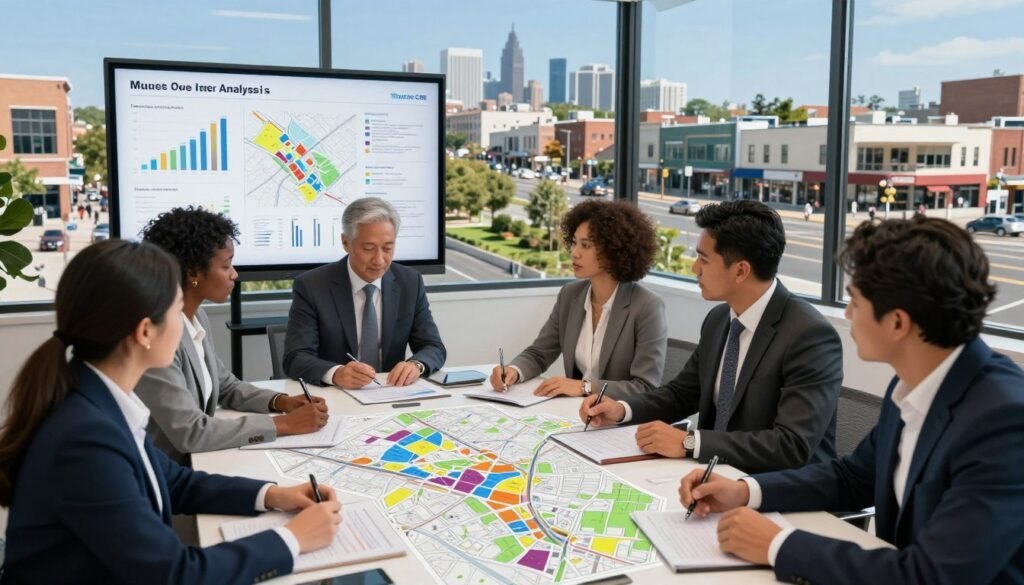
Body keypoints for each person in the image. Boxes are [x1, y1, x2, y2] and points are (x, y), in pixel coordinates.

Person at [679, 217, 1024, 585]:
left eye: (855, 302)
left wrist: (779, 545)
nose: (846, 315)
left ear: (897, 323)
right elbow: (852, 477)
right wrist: (745, 491)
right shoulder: (913, 384)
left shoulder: (1004, 420)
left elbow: (933, 576)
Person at [0, 240, 341, 584]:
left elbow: (173, 479)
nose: (185, 325)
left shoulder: (99, 398)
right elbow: (174, 574)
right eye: (177, 310)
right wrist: (292, 539)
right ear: (145, 331)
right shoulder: (85, 439)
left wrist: (273, 495)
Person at [581, 201, 842, 474]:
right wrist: (621, 410)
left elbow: (791, 445)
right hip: (714, 479)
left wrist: (690, 442)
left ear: (741, 271)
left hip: (778, 492)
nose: (695, 268)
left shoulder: (809, 336)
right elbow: (682, 394)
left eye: (703, 259)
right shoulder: (719, 320)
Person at [137, 207, 329, 464]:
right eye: (226, 265)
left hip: (198, 461)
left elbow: (227, 386)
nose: (234, 274)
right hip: (168, 477)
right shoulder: (157, 336)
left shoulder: (196, 316)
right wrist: (283, 425)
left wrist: (282, 402)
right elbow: (190, 432)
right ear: (193, 274)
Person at [489, 200, 667, 400]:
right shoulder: (570, 295)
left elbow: (644, 387)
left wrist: (585, 387)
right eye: (574, 242)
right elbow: (539, 353)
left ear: (613, 251)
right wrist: (514, 370)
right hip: (575, 414)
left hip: (619, 419)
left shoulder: (647, 307)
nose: (574, 253)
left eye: (586, 245)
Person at [284, 197, 446, 388]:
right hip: (336, 396)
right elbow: (295, 357)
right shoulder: (312, 285)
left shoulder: (409, 282)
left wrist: (416, 365)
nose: (379, 260)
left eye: (387, 248)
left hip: (390, 394)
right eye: (368, 248)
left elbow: (433, 347)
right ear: (346, 242)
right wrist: (336, 374)